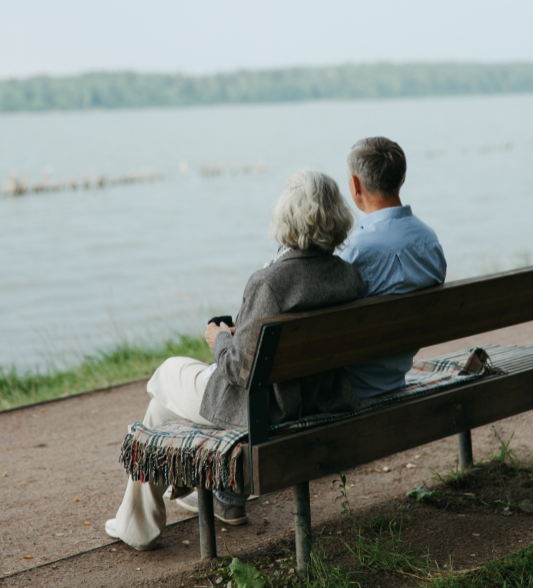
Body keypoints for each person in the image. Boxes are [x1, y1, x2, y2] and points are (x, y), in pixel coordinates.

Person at [106, 170, 364, 550]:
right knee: (160, 411)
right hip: (317, 398)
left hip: (264, 408)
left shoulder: (268, 282)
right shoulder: (348, 276)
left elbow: (238, 370)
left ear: (286, 218)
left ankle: (145, 523)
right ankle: (154, 517)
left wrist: (219, 337)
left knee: (166, 375)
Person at [341, 136, 447, 399]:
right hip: (398, 370)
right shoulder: (429, 240)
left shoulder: (355, 251)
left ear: (355, 184)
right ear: (402, 178)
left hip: (352, 385)